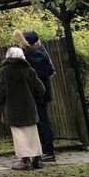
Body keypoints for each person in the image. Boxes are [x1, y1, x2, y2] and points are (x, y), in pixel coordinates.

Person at [0, 46, 46, 171]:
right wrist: (34, 98)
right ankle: (37, 160)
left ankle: (25, 161)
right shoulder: (29, 70)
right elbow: (41, 89)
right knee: (32, 133)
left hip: (13, 109)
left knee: (20, 135)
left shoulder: (4, 72)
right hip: (29, 108)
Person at [17, 29, 57, 162]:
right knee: (41, 121)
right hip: (40, 95)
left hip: (39, 96)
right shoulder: (39, 51)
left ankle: (48, 151)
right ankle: (44, 149)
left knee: (42, 121)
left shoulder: (36, 55)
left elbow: (37, 79)